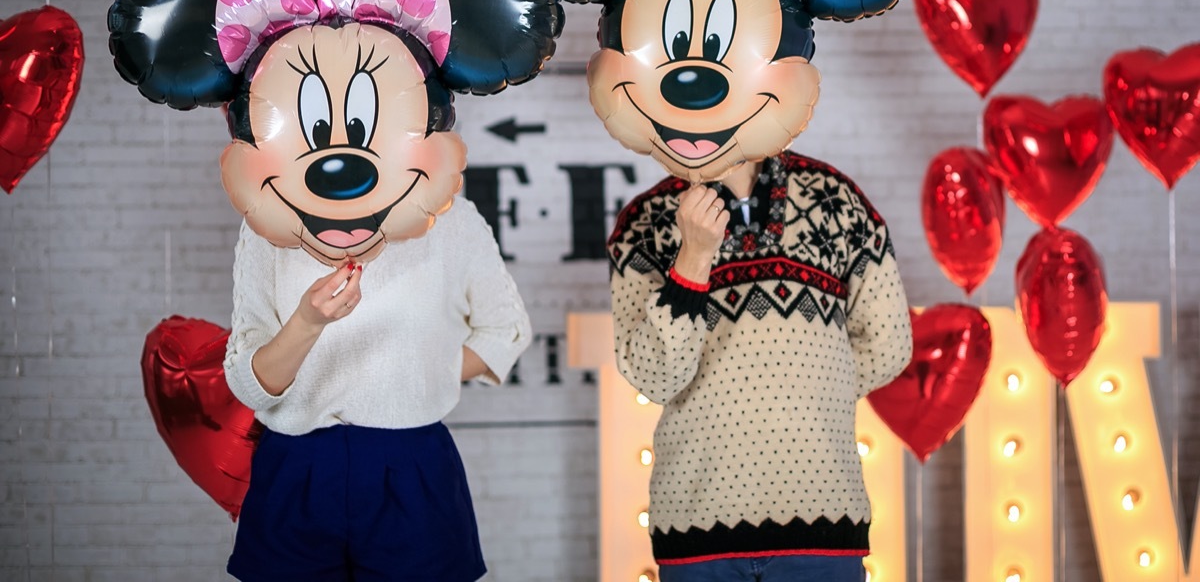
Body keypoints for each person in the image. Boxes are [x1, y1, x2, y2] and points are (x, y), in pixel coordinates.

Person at [607, 151, 913, 581]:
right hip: (696, 529)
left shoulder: (836, 199)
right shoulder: (644, 222)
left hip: (820, 523)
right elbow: (654, 377)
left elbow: (890, 345)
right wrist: (693, 256)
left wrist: (802, 387)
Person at [223, 195, 531, 581]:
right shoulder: (270, 217)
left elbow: (506, 332)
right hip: (295, 464)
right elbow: (246, 386)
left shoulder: (451, 217)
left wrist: (409, 372)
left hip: (412, 463)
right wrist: (307, 321)